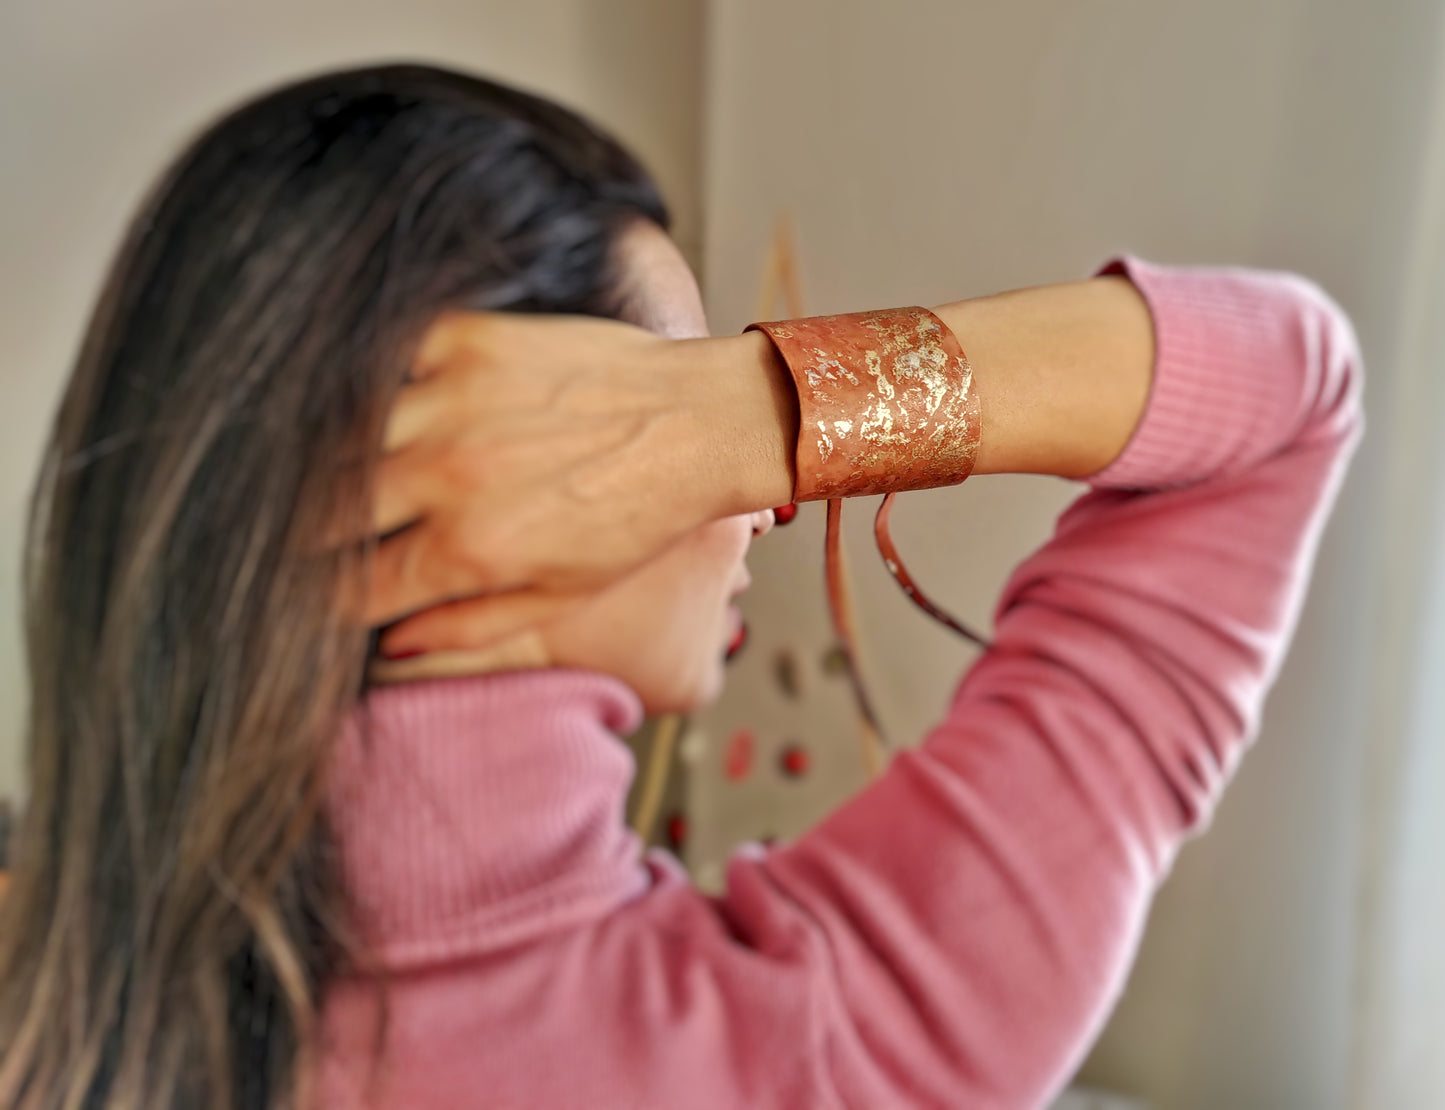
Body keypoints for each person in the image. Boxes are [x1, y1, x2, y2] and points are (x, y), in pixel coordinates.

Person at [0, 63, 1362, 1110]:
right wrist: (774, 407)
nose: (758, 503)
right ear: (494, 449)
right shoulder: (807, 1047)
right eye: (660, 405)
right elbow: (1289, 395)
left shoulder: (45, 991)